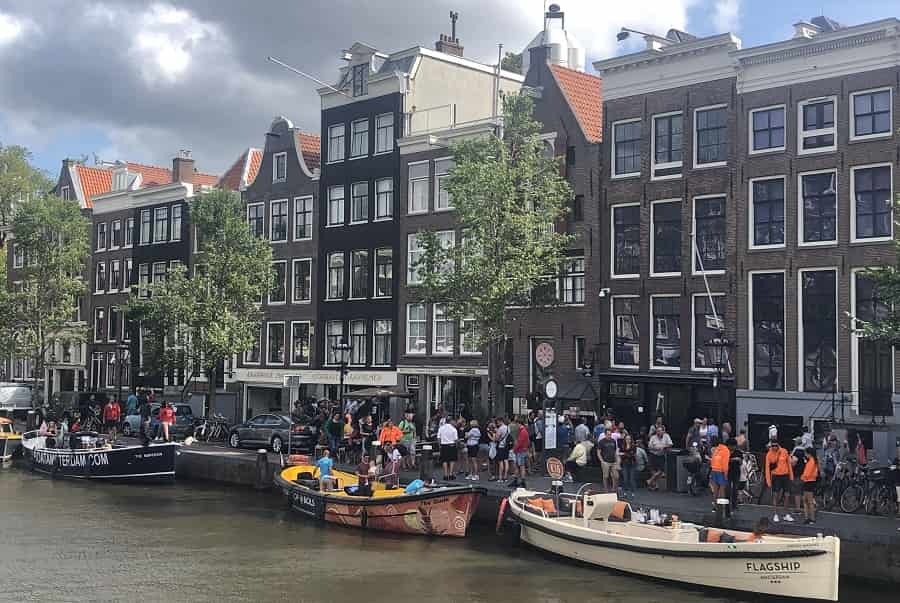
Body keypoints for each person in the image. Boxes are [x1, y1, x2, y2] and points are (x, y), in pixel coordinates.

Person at [765, 439, 794, 523]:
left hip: (785, 475)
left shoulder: (784, 451)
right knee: (775, 495)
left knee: (787, 495)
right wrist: (768, 481)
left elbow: (789, 464)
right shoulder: (769, 454)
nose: (774, 447)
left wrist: (791, 476)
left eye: (775, 446)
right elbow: (767, 468)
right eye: (772, 446)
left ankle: (786, 514)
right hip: (776, 476)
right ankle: (775, 514)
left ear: (778, 445)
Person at [647, 424, 673, 491]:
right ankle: (655, 485)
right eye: (657, 431)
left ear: (663, 431)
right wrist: (656, 448)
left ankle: (650, 480)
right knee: (653, 470)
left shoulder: (666, 436)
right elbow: (649, 446)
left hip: (661, 455)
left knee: (661, 471)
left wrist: (664, 447)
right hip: (653, 454)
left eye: (660, 431)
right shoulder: (653, 437)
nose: (658, 432)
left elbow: (671, 444)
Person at [800, 446, 819, 524]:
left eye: (806, 453)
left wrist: (802, 477)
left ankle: (810, 518)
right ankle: (809, 518)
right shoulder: (814, 460)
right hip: (811, 481)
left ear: (809, 454)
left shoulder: (811, 461)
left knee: (807, 501)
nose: (805, 455)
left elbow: (807, 473)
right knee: (807, 500)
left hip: (808, 481)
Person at [709, 436, 730, 504]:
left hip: (714, 470)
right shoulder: (725, 450)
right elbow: (725, 463)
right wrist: (726, 474)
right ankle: (721, 505)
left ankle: (715, 505)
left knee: (715, 490)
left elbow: (713, 461)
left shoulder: (716, 450)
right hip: (721, 471)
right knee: (722, 489)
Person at [512, 418, 530, 485]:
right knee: (518, 466)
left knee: (521, 466)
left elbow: (519, 442)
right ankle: (518, 480)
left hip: (520, 451)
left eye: (516, 424)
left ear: (519, 424)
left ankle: (522, 481)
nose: (515, 425)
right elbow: (527, 441)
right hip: (522, 450)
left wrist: (514, 449)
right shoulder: (524, 431)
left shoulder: (522, 431)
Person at [495, 417, 510, 482]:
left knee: (500, 462)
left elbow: (496, 438)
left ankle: (500, 477)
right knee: (506, 461)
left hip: (501, 446)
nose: (497, 423)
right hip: (506, 446)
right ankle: (505, 477)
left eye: (497, 422)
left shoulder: (500, 428)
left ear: (500, 421)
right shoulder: (508, 428)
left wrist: (495, 434)